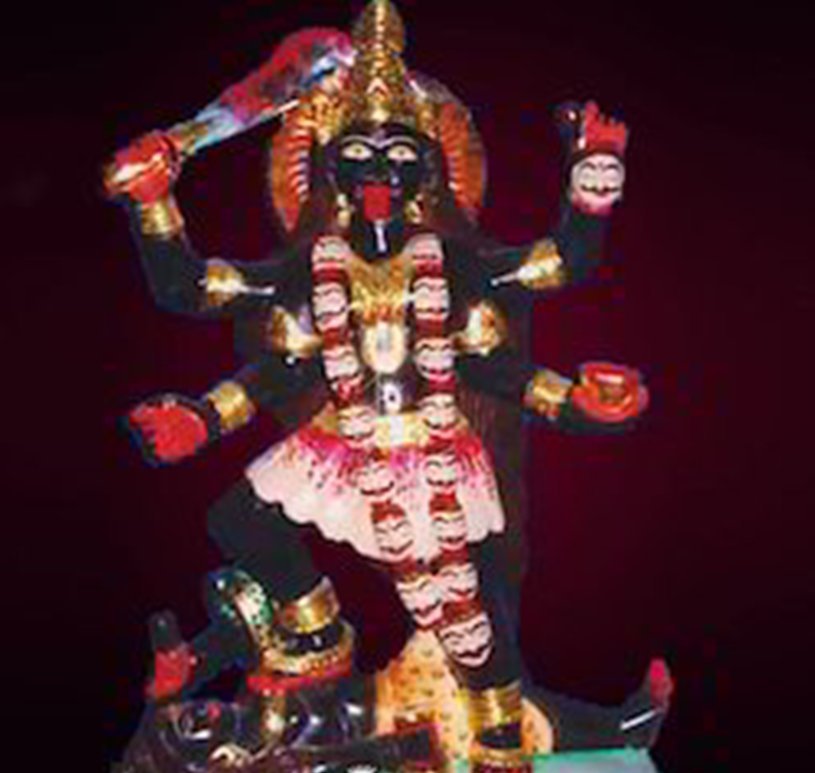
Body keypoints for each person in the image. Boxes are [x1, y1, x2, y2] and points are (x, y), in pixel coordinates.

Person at [106, 2, 666, 769]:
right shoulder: (312, 268)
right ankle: (314, 633)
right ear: (330, 168)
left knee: (468, 623)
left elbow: (547, 280)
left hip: (432, 452)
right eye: (359, 155)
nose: (378, 172)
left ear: (427, 170)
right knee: (241, 517)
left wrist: (591, 185)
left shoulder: (454, 265)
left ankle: (505, 740)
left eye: (399, 155)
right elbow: (206, 299)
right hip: (341, 444)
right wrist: (155, 209)